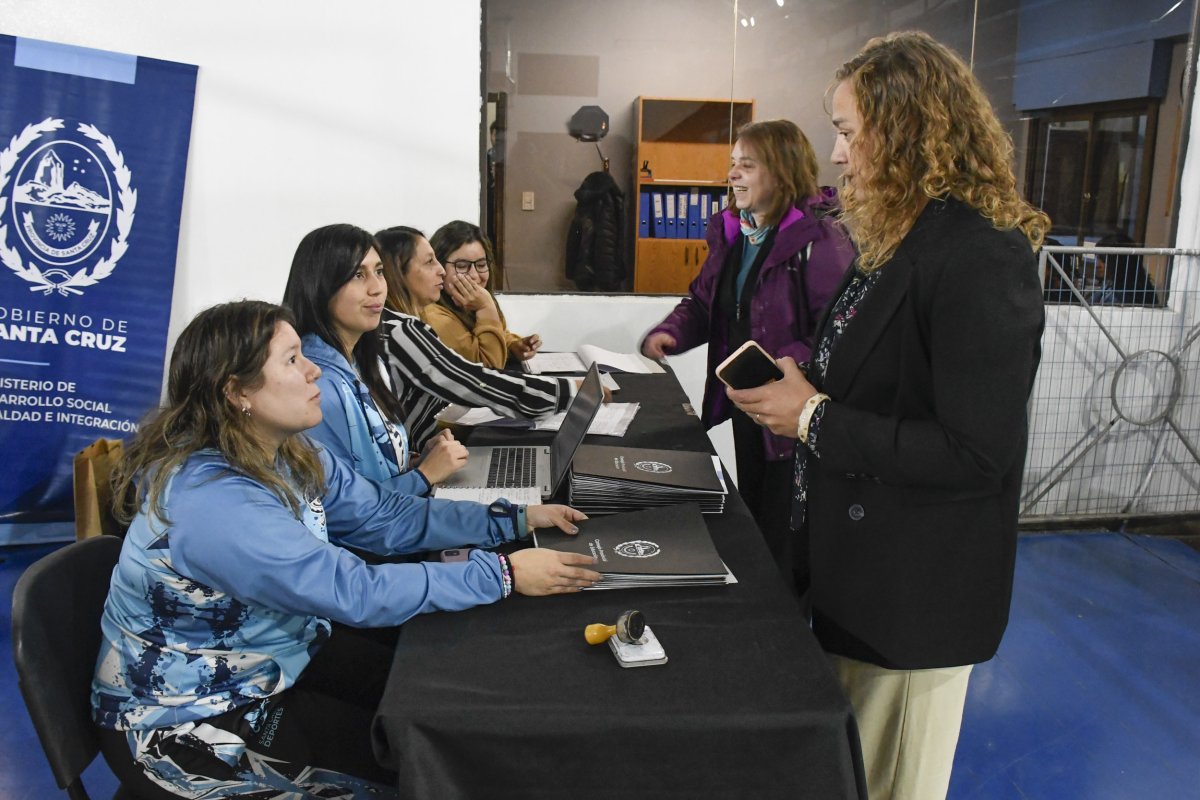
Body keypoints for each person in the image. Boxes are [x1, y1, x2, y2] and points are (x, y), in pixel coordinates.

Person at [91, 300, 600, 798]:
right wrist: (504, 574)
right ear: (237, 391)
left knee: (442, 714)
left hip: (280, 655)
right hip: (189, 720)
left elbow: (382, 516)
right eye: (292, 360)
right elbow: (352, 590)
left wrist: (510, 519)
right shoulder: (214, 502)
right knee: (412, 771)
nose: (314, 370)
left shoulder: (287, 449)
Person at [727, 32, 1048, 800]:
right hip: (854, 580)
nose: (837, 155)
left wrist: (812, 419)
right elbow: (884, 380)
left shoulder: (981, 254)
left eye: (847, 133)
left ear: (907, 130)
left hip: (912, 605)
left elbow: (975, 452)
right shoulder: (897, 240)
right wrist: (806, 385)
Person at [640, 119, 855, 594]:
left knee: (787, 540)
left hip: (797, 417)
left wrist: (779, 366)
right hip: (750, 407)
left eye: (748, 165)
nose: (733, 175)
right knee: (757, 521)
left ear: (781, 171)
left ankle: (784, 621)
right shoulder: (735, 233)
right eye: (733, 164)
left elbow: (838, 332)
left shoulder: (820, 240)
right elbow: (704, 302)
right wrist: (669, 333)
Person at [283, 224, 466, 496]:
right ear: (320, 285)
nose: (377, 288)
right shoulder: (317, 383)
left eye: (379, 272)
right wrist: (423, 476)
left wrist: (415, 462)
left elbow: (366, 473)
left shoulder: (365, 361)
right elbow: (340, 505)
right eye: (358, 275)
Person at [374, 225, 577, 451]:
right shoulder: (404, 329)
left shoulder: (403, 321)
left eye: (481, 264)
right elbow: (478, 378)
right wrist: (568, 391)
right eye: (430, 262)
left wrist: (511, 343)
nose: (441, 271)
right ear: (398, 272)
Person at [426, 220, 542, 369]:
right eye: (462, 266)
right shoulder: (434, 316)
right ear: (439, 267)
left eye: (481, 265)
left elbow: (496, 334)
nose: (475, 275)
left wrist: (512, 346)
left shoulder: (476, 301)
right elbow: (489, 368)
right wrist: (486, 308)